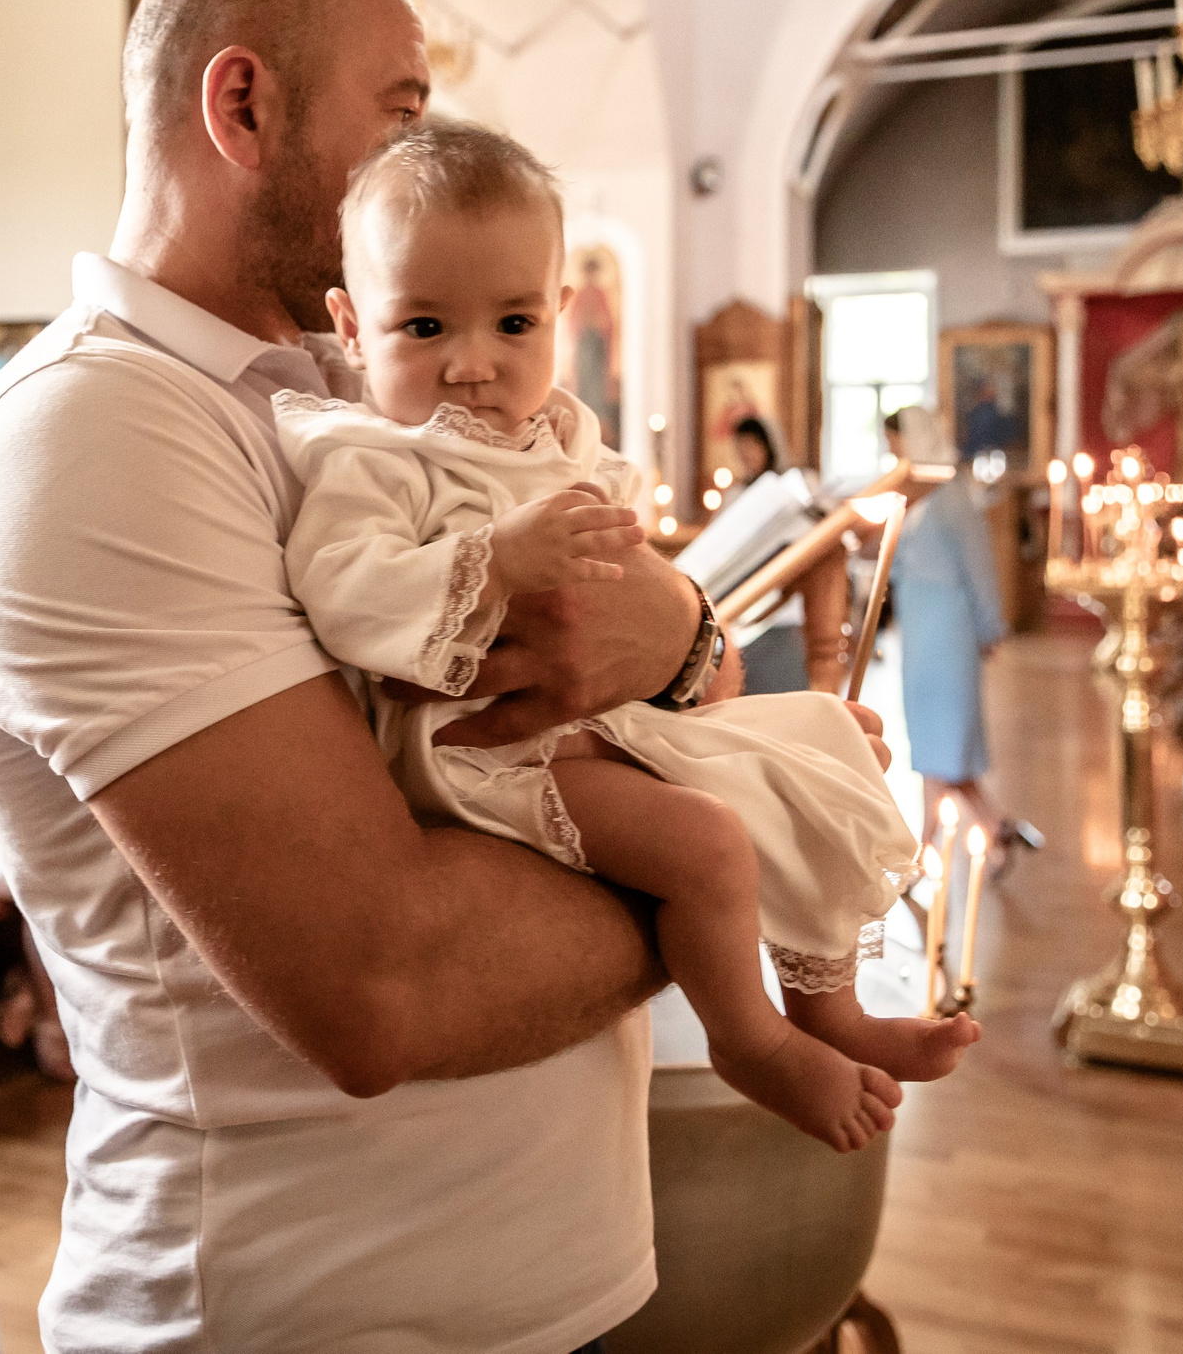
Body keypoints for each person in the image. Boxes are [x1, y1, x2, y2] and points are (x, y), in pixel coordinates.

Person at [0, 0, 887, 1352]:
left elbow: (681, 667)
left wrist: (680, 641)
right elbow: (387, 982)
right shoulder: (102, 436)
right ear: (242, 106)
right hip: (303, 1303)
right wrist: (730, 862)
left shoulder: (361, 388)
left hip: (530, 1278)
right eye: (403, 108)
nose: (425, 148)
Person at [278, 119, 973, 1151]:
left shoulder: (562, 440)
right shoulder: (368, 457)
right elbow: (344, 589)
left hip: (610, 718)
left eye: (512, 324)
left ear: (560, 313)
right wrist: (500, 562)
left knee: (825, 741)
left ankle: (826, 1006)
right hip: (490, 745)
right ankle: (750, 1040)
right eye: (423, 329)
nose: (472, 365)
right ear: (347, 323)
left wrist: (653, 600)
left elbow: (650, 609)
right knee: (704, 844)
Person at [881, 404, 1017, 849]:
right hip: (918, 629)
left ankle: (924, 847)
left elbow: (979, 566)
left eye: (897, 440)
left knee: (946, 738)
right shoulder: (910, 493)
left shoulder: (952, 494)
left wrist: (989, 625)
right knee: (932, 737)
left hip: (949, 628)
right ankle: (995, 829)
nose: (893, 450)